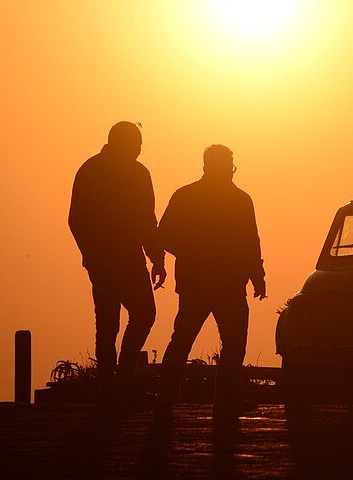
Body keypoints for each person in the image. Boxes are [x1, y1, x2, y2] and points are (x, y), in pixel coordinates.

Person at [155, 145, 266, 414]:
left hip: (204, 280)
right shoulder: (238, 199)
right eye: (228, 163)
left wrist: (256, 274)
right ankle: (219, 396)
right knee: (224, 340)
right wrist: (256, 275)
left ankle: (170, 396)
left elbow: (250, 241)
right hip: (219, 281)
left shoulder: (189, 196)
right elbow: (166, 234)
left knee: (191, 338)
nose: (230, 168)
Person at [68, 121, 166, 400]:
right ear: (121, 143)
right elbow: (77, 220)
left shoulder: (138, 173)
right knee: (109, 322)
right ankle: (111, 385)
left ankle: (121, 380)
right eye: (136, 144)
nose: (140, 149)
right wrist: (92, 256)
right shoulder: (92, 171)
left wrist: (156, 258)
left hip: (129, 258)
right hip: (106, 260)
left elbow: (147, 220)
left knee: (141, 315)